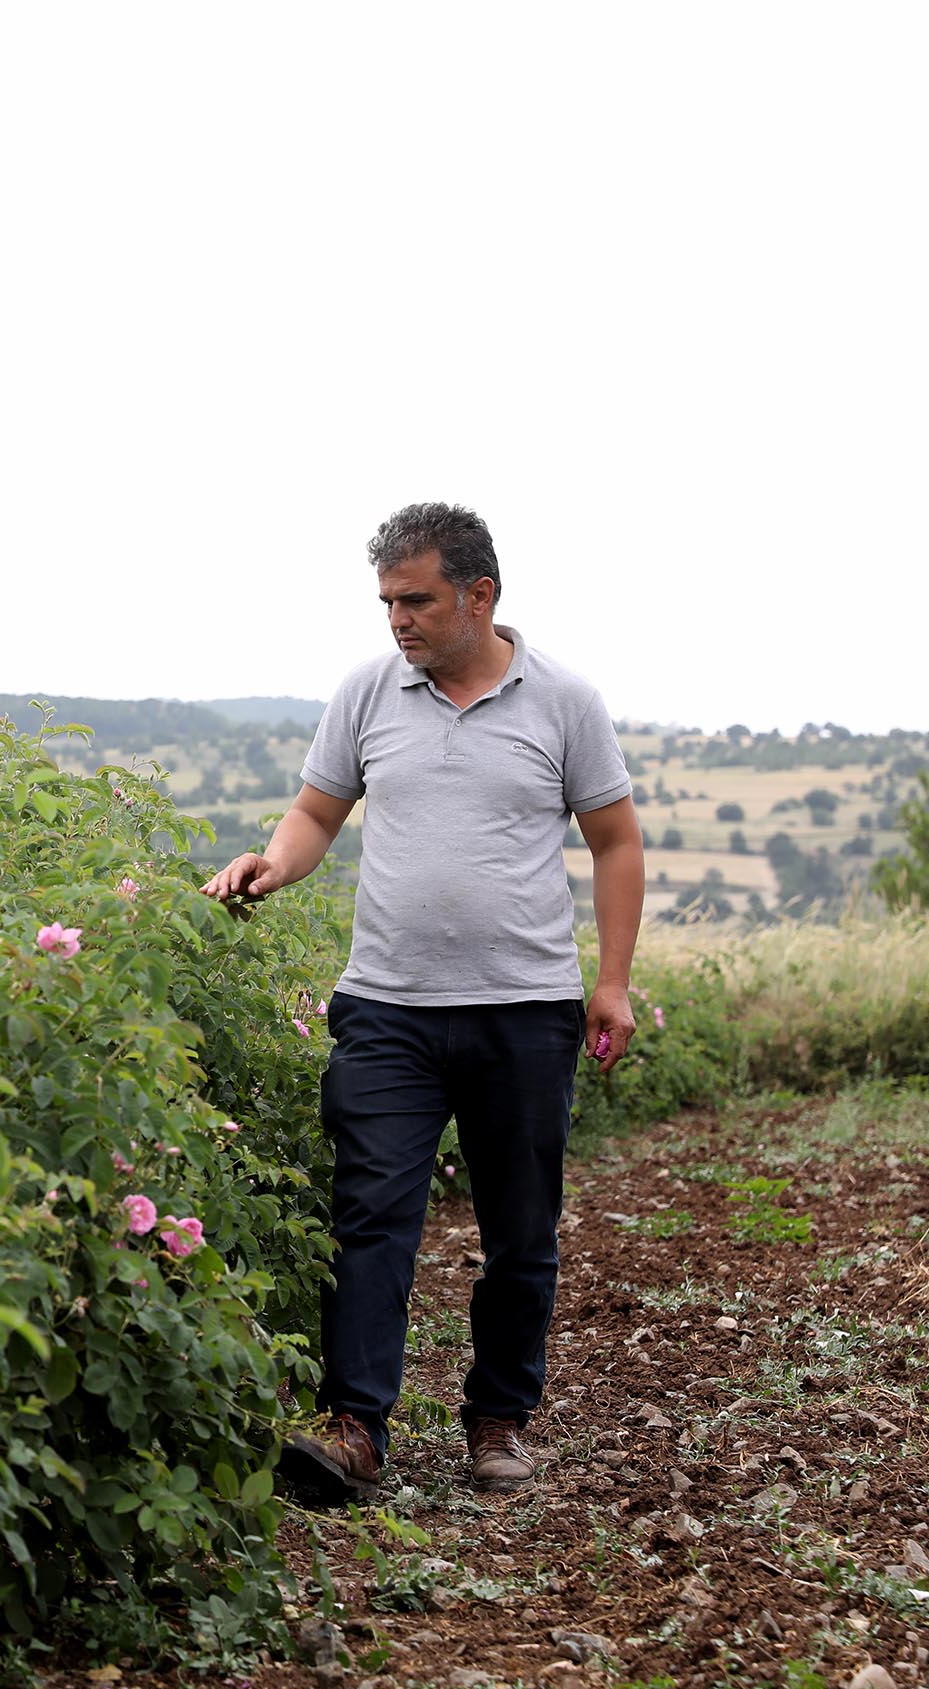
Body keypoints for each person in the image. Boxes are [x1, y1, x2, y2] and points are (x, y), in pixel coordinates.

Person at [198, 502, 644, 1503]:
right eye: (385, 601)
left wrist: (608, 979)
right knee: (369, 1214)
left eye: (415, 599)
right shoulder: (366, 691)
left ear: (477, 595)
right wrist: (273, 863)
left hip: (524, 1008)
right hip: (386, 1007)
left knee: (518, 1228)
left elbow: (614, 842)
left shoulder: (561, 700)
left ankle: (496, 1419)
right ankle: (354, 1426)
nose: (395, 619)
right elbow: (316, 811)